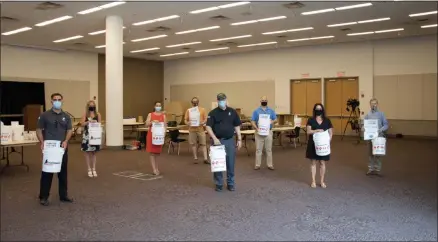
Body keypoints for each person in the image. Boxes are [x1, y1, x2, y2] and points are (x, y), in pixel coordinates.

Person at [37, 93, 74, 206]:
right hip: (49, 148)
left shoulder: (66, 116)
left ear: (62, 101)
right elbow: (38, 129)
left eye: (59, 99)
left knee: (63, 173)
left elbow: (69, 130)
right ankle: (43, 196)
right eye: (55, 99)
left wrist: (66, 141)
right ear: (51, 101)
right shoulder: (45, 115)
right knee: (47, 172)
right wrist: (42, 142)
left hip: (62, 148)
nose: (57, 101)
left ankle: (63, 195)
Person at [206, 93, 242, 192]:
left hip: (230, 140)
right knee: (217, 163)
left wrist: (239, 139)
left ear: (226, 100)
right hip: (217, 141)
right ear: (217, 101)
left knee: (230, 163)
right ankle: (219, 183)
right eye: (220, 100)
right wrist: (214, 138)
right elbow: (208, 126)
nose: (222, 101)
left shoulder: (232, 112)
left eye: (223, 99)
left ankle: (230, 183)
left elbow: (237, 125)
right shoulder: (212, 113)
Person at [305, 103, 333, 188]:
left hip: (323, 146)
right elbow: (308, 131)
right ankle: (313, 181)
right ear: (314, 110)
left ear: (322, 110)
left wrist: (327, 142)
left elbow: (330, 133)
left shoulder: (327, 120)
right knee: (313, 162)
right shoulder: (311, 120)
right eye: (317, 109)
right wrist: (316, 130)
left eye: (320, 109)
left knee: (322, 163)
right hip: (313, 144)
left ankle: (322, 181)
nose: (318, 110)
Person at [250, 96, 277, 170]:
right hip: (259, 132)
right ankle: (257, 164)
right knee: (258, 149)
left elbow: (276, 119)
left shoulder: (271, 111)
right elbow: (252, 121)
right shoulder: (256, 111)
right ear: (260, 101)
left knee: (269, 149)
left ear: (267, 101)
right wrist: (256, 127)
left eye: (265, 100)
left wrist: (272, 121)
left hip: (268, 132)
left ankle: (270, 164)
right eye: (262, 100)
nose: (264, 101)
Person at [364, 98, 389, 176]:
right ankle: (370, 169)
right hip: (371, 137)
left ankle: (378, 169)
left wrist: (380, 130)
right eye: (372, 103)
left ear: (377, 104)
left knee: (378, 154)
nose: (373, 105)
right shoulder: (368, 115)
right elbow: (364, 125)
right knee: (370, 154)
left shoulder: (381, 114)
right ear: (370, 105)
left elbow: (386, 125)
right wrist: (363, 128)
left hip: (379, 137)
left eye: (375, 103)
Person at [80, 100, 101, 178]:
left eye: (93, 105)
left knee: (94, 153)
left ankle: (94, 168)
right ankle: (89, 169)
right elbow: (82, 124)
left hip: (95, 135)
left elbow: (99, 124)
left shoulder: (98, 114)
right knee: (87, 152)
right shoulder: (85, 114)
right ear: (88, 106)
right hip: (87, 135)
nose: (92, 107)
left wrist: (95, 122)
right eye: (90, 105)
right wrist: (88, 122)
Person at [184, 97, 209, 164]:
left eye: (196, 101)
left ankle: (205, 159)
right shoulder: (189, 110)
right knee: (193, 144)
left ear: (198, 102)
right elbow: (185, 120)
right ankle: (195, 158)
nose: (195, 103)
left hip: (200, 129)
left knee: (203, 144)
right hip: (192, 129)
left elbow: (206, 119)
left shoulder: (203, 109)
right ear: (191, 103)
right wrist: (187, 123)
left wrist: (203, 122)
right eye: (193, 102)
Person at [146, 101, 167, 175]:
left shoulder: (163, 116)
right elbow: (146, 124)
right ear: (154, 106)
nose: (158, 106)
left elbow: (165, 126)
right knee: (152, 153)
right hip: (151, 135)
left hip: (159, 136)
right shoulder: (150, 114)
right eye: (157, 105)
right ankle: (154, 169)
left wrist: (164, 135)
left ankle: (157, 167)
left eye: (160, 105)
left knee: (157, 153)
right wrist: (152, 122)